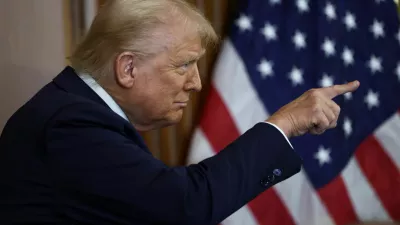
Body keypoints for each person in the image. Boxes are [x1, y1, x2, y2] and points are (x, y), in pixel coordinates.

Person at [0, 0, 360, 224]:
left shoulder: (77, 110)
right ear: (127, 69)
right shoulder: (71, 124)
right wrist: (285, 122)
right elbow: (186, 207)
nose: (197, 83)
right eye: (184, 64)